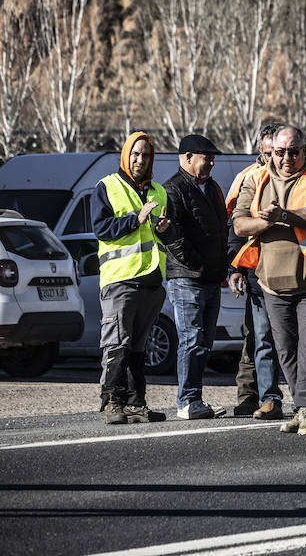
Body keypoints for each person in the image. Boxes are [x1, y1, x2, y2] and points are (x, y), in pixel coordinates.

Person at [231, 125, 306, 437]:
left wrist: (285, 216)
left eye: (293, 151)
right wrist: (265, 219)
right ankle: (304, 407)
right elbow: (240, 224)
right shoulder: (256, 178)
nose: (286, 158)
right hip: (271, 281)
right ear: (271, 151)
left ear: (305, 149)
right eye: (279, 152)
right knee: (286, 351)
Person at [93, 132, 175, 425]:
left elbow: (166, 235)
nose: (140, 160)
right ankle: (112, 402)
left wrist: (165, 229)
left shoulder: (159, 192)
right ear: (126, 155)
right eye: (135, 154)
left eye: (146, 155)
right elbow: (102, 228)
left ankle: (136, 403)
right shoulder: (107, 187)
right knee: (117, 344)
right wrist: (136, 219)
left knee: (139, 347)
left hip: (151, 282)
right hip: (120, 281)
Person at [163, 134, 229, 420]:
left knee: (203, 342)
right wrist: (198, 265)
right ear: (187, 158)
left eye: (213, 157)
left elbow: (221, 229)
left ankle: (195, 399)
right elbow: (171, 235)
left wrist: (222, 266)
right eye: (207, 157)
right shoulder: (173, 189)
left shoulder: (212, 188)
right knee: (191, 338)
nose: (212, 162)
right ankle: (187, 401)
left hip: (212, 278)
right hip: (187, 278)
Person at [228, 124, 287, 420]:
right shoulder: (249, 179)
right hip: (257, 272)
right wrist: (235, 266)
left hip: (292, 271)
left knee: (295, 340)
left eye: (274, 153)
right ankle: (264, 398)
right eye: (266, 153)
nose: (271, 158)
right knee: (258, 338)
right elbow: (235, 226)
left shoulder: (300, 177)